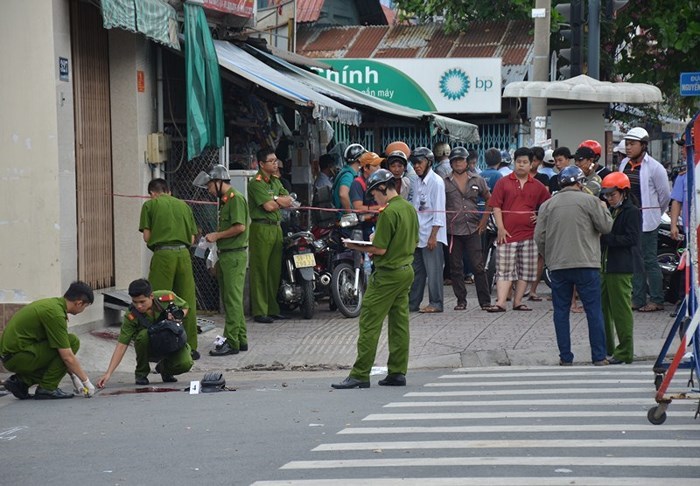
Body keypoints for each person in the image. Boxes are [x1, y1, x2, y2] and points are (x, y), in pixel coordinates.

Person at [332, 169, 419, 389]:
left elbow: (379, 248)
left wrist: (353, 245)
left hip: (388, 274)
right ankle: (398, 372)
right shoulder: (409, 208)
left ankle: (360, 374)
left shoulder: (389, 213)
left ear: (383, 188)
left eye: (375, 194)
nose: (374, 199)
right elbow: (413, 239)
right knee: (399, 324)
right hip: (406, 270)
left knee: (370, 322)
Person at [535, 166, 613, 366]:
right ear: (580, 183)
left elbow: (539, 237)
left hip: (558, 266)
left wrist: (550, 257)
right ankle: (598, 356)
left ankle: (566, 357)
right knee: (593, 310)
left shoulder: (547, 205)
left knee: (561, 311)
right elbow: (606, 227)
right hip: (587, 263)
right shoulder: (591, 201)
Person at [0, 281, 95, 400]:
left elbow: (59, 355)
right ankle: (47, 388)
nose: (84, 310)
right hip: (17, 356)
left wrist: (74, 377)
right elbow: (67, 356)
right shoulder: (55, 314)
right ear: (79, 303)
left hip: (13, 355)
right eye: (85, 306)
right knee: (73, 341)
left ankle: (21, 382)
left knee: (63, 347)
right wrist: (86, 381)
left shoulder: (53, 305)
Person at [139, 178, 199, 360]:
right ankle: (190, 347)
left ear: (152, 193)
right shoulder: (183, 206)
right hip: (183, 255)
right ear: (168, 191)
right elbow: (192, 238)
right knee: (186, 299)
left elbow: (147, 237)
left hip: (163, 255)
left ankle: (159, 347)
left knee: (157, 300)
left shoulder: (150, 206)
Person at [193, 165, 249, 356]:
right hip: (227, 254)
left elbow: (240, 227)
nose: (208, 190)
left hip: (234, 255)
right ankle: (240, 339)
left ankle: (231, 341)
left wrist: (217, 235)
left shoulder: (235, 199)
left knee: (232, 301)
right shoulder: (226, 201)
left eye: (209, 185)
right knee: (231, 300)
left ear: (219, 182)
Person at [485, 147, 550, 313]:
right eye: (518, 162)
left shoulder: (538, 185)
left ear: (531, 164)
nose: (521, 165)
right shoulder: (503, 182)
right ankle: (500, 302)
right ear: (514, 163)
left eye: (525, 162)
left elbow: (548, 205)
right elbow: (496, 206)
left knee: (525, 270)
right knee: (504, 269)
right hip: (506, 234)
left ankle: (518, 301)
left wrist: (539, 216)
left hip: (529, 235)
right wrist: (500, 227)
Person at [97, 279, 193, 387]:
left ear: (151, 296)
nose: (138, 306)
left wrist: (177, 317)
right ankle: (141, 373)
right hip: (150, 348)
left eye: (142, 302)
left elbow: (185, 307)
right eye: (135, 302)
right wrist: (108, 373)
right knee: (143, 335)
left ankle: (165, 369)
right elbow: (121, 345)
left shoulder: (165, 297)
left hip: (171, 341)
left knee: (185, 364)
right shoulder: (131, 316)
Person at [618, 127, 671, 312]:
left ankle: (657, 299)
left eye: (632, 144)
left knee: (649, 259)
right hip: (630, 219)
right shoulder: (624, 163)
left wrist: (655, 213)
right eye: (627, 144)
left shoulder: (655, 167)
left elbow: (665, 196)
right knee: (634, 259)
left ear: (643, 145)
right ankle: (638, 299)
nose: (628, 147)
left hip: (647, 219)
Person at [248, 148, 295, 324]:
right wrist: (278, 201)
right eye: (272, 161)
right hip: (261, 228)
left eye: (276, 160)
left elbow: (288, 200)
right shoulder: (256, 183)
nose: (276, 164)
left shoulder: (275, 181)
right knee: (260, 270)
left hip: (276, 228)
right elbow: (268, 207)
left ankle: (272, 308)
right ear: (261, 164)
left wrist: (276, 199)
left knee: (274, 271)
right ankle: (260, 310)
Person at [600, 172, 643, 364]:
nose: (609, 199)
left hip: (621, 266)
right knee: (602, 311)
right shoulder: (609, 210)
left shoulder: (631, 212)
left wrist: (607, 238)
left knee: (621, 312)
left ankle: (625, 351)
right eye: (606, 195)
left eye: (612, 195)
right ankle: (607, 348)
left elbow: (632, 239)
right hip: (604, 266)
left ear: (623, 193)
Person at [444, 146, 492, 310]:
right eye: (455, 160)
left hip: (473, 228)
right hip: (452, 230)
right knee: (456, 267)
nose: (458, 163)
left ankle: (485, 301)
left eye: (461, 160)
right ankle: (461, 301)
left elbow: (489, 199)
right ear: (451, 163)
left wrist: (483, 221)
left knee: (478, 266)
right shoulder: (444, 181)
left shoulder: (478, 180)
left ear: (467, 162)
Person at [407, 147, 447, 313]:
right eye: (414, 163)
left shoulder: (436, 182)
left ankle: (436, 303)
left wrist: (433, 236)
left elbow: (439, 211)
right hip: (418, 234)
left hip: (432, 234)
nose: (416, 166)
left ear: (429, 162)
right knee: (417, 272)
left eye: (419, 162)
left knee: (434, 272)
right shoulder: (415, 182)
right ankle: (412, 303)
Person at [350, 151, 384, 240]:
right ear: (365, 168)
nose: (379, 168)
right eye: (375, 166)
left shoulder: (378, 183)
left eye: (379, 165)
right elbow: (358, 208)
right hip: (365, 227)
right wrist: (380, 207)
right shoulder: (357, 183)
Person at [332, 143, 366, 213]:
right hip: (344, 218)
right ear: (359, 159)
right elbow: (343, 194)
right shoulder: (348, 175)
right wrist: (350, 213)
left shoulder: (348, 172)